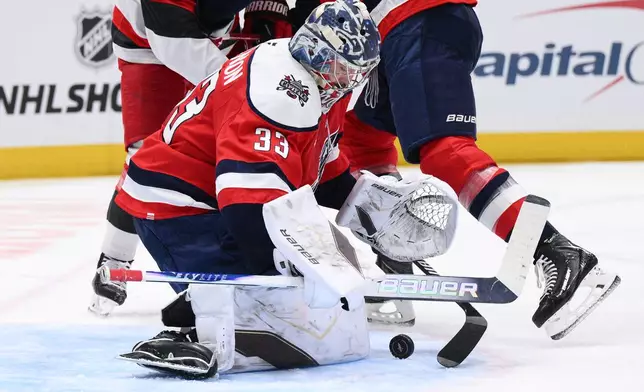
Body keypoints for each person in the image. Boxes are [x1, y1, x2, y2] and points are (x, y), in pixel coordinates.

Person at [291, 0, 620, 338]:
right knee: (359, 145)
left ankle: (557, 252)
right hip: (387, 35)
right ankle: (394, 266)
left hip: (417, 19)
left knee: (446, 152)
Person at [112, 0, 384, 378]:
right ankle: (205, 334)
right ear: (318, 50)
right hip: (179, 211)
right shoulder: (279, 89)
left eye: (357, 72)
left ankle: (205, 309)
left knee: (321, 313)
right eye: (343, 68)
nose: (349, 80)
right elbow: (245, 205)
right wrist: (283, 274)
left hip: (201, 201)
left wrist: (372, 207)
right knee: (297, 324)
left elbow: (323, 167)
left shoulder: (312, 78)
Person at [90, 0, 293, 316]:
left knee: (216, 149)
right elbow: (172, 41)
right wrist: (241, 79)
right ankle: (115, 256)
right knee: (146, 156)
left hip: (208, 38)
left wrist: (269, 22)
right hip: (147, 48)